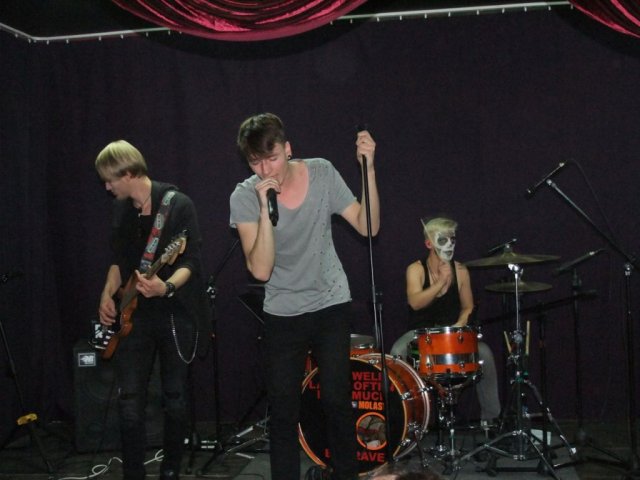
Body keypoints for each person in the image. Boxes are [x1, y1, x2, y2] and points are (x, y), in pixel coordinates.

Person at [229, 113, 379, 480]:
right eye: (256, 162)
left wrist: (369, 169)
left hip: (330, 301)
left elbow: (368, 226)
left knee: (337, 401)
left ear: (288, 149)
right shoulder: (244, 196)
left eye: (272, 158)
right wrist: (264, 209)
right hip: (283, 310)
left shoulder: (322, 172)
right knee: (283, 410)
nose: (266, 169)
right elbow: (260, 270)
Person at [95, 140, 211, 480]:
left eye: (110, 180)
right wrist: (106, 295)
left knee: (175, 397)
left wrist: (167, 286)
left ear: (128, 174)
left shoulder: (178, 205)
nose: (107, 187)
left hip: (175, 313)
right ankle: (133, 473)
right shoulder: (121, 210)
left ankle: (170, 469)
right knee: (129, 400)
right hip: (134, 318)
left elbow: (191, 261)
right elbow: (118, 260)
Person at [390, 217, 501, 427]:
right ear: (429, 243)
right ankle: (403, 422)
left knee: (484, 353)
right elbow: (415, 303)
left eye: (453, 239)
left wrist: (459, 326)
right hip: (421, 335)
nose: (449, 244)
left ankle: (491, 421)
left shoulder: (461, 271)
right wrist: (440, 282)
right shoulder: (416, 269)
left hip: (451, 334)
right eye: (443, 239)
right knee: (398, 351)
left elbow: (468, 307)